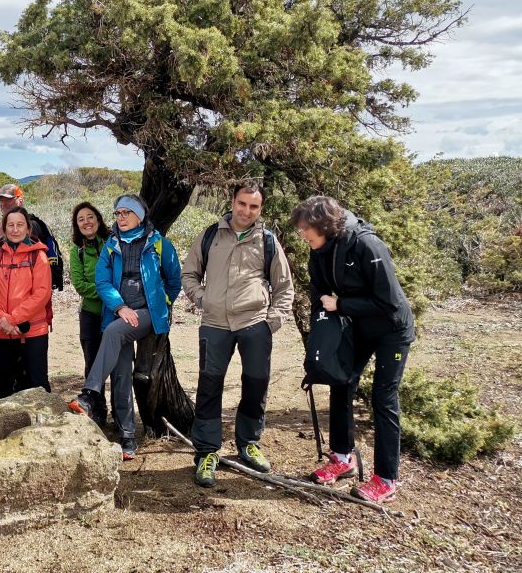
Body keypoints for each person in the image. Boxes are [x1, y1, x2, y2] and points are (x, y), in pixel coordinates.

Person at [291, 195, 415, 504]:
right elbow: (319, 291)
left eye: (306, 229)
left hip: (391, 329)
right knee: (340, 382)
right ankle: (342, 459)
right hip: (358, 324)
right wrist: (324, 326)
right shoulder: (318, 250)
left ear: (324, 226)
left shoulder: (366, 245)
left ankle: (386, 479)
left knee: (383, 397)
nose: (302, 235)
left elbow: (387, 301)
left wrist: (341, 304)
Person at [181, 180, 295, 488]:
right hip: (215, 324)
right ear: (232, 202)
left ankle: (248, 443)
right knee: (209, 387)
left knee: (256, 385)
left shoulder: (268, 240)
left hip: (255, 324)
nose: (247, 211)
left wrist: (274, 319)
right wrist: (203, 299)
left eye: (254, 206)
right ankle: (206, 451)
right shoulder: (209, 236)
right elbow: (189, 273)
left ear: (260, 209)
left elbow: (284, 286)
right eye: (242, 204)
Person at [68, 194, 181, 460]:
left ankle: (89, 392)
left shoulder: (159, 244)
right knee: (120, 375)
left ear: (139, 216)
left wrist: (160, 305)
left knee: (113, 332)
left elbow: (174, 280)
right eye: (117, 213)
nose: (120, 218)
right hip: (119, 314)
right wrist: (120, 307)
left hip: (147, 315)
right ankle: (127, 436)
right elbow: (102, 281)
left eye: (126, 213)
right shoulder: (111, 245)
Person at [0, 207, 53, 397]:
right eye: (10, 225)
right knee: (3, 384)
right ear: (4, 229)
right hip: (0, 332)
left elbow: (42, 294)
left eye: (20, 225)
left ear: (28, 229)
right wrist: (2, 318)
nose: (15, 229)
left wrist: (12, 319)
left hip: (32, 332)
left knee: (36, 386)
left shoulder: (38, 256)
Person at [68, 201, 111, 426]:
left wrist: (109, 294)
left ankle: (123, 415)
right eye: (81, 219)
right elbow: (80, 285)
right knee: (92, 362)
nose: (86, 222)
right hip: (90, 314)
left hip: (114, 314)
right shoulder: (77, 250)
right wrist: (107, 290)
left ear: (98, 219)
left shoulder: (112, 243)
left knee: (118, 365)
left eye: (90, 217)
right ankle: (98, 410)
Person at [0, 183, 64, 291]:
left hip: (33, 289)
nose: (3, 204)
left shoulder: (31, 225)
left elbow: (20, 255)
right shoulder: (10, 226)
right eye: (1, 201)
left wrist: (3, 237)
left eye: (8, 200)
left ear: (20, 201)